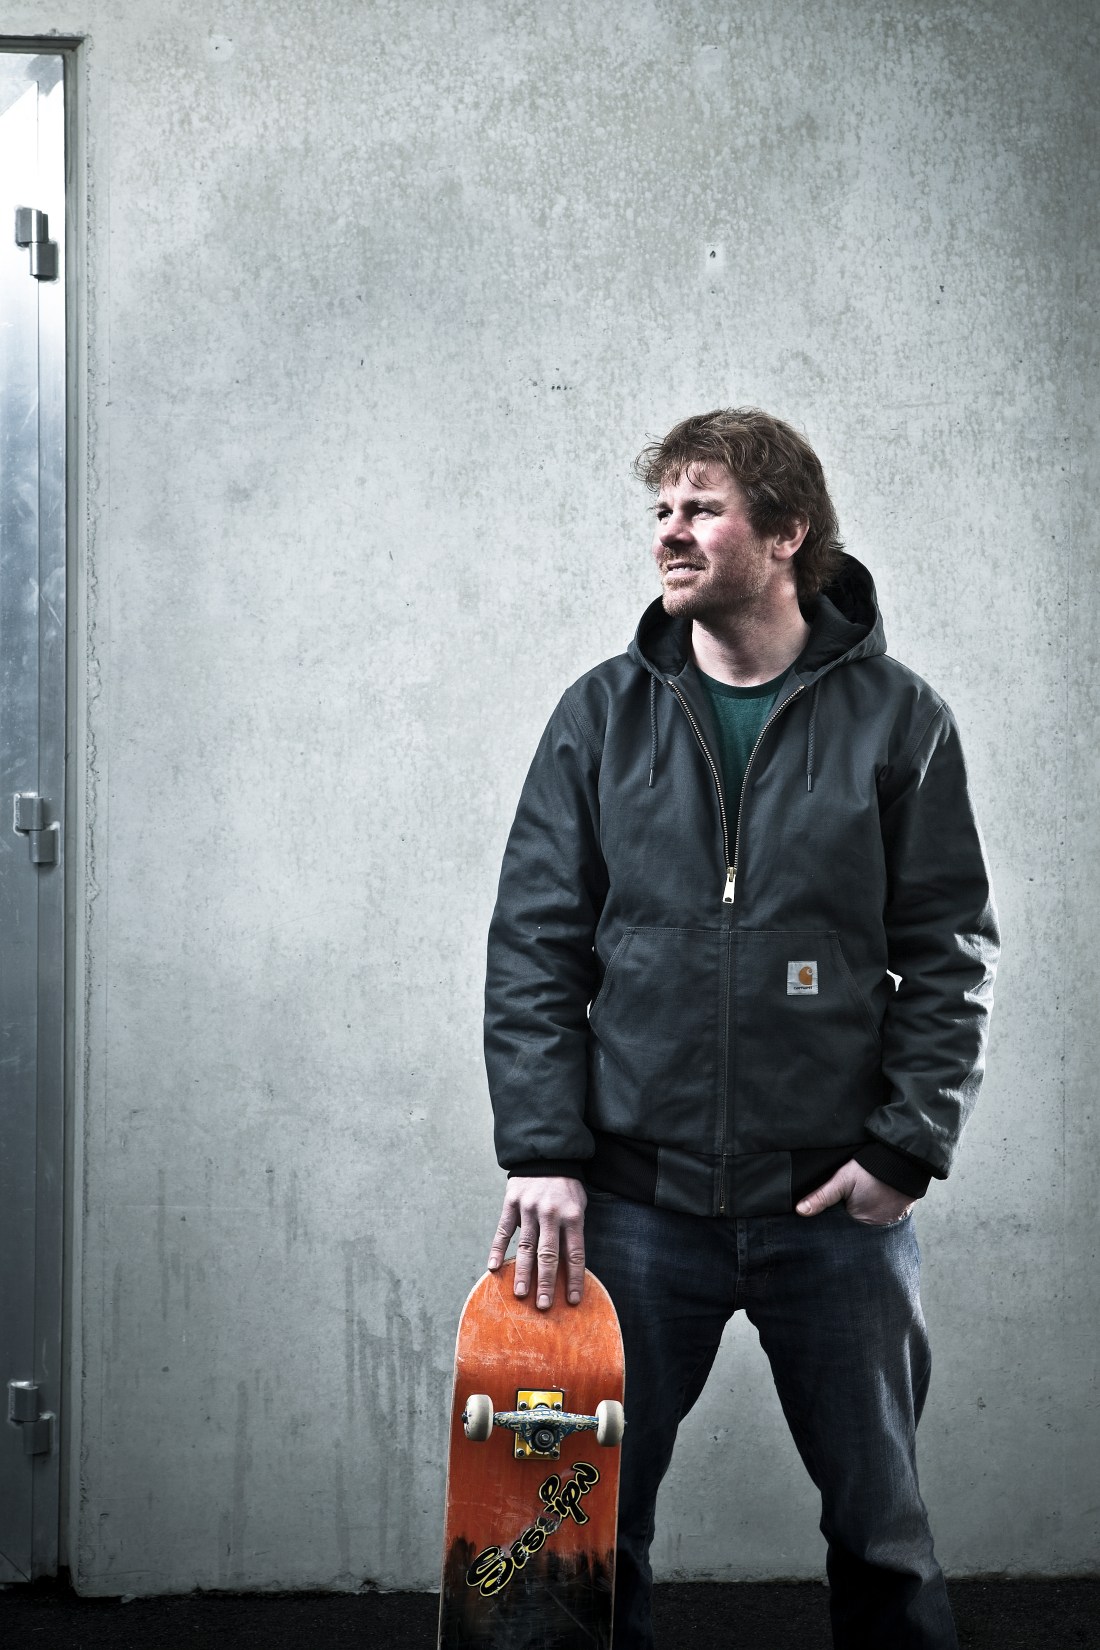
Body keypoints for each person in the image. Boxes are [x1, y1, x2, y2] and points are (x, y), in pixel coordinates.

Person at [482, 407, 999, 1649]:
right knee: (579, 1533)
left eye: (700, 507)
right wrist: (542, 1152)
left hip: (829, 1207)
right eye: (660, 508)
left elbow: (949, 950)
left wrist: (905, 1146)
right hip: (633, 1204)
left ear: (784, 532)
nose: (669, 531)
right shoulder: (599, 716)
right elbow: (534, 946)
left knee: (881, 1537)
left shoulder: (898, 719)